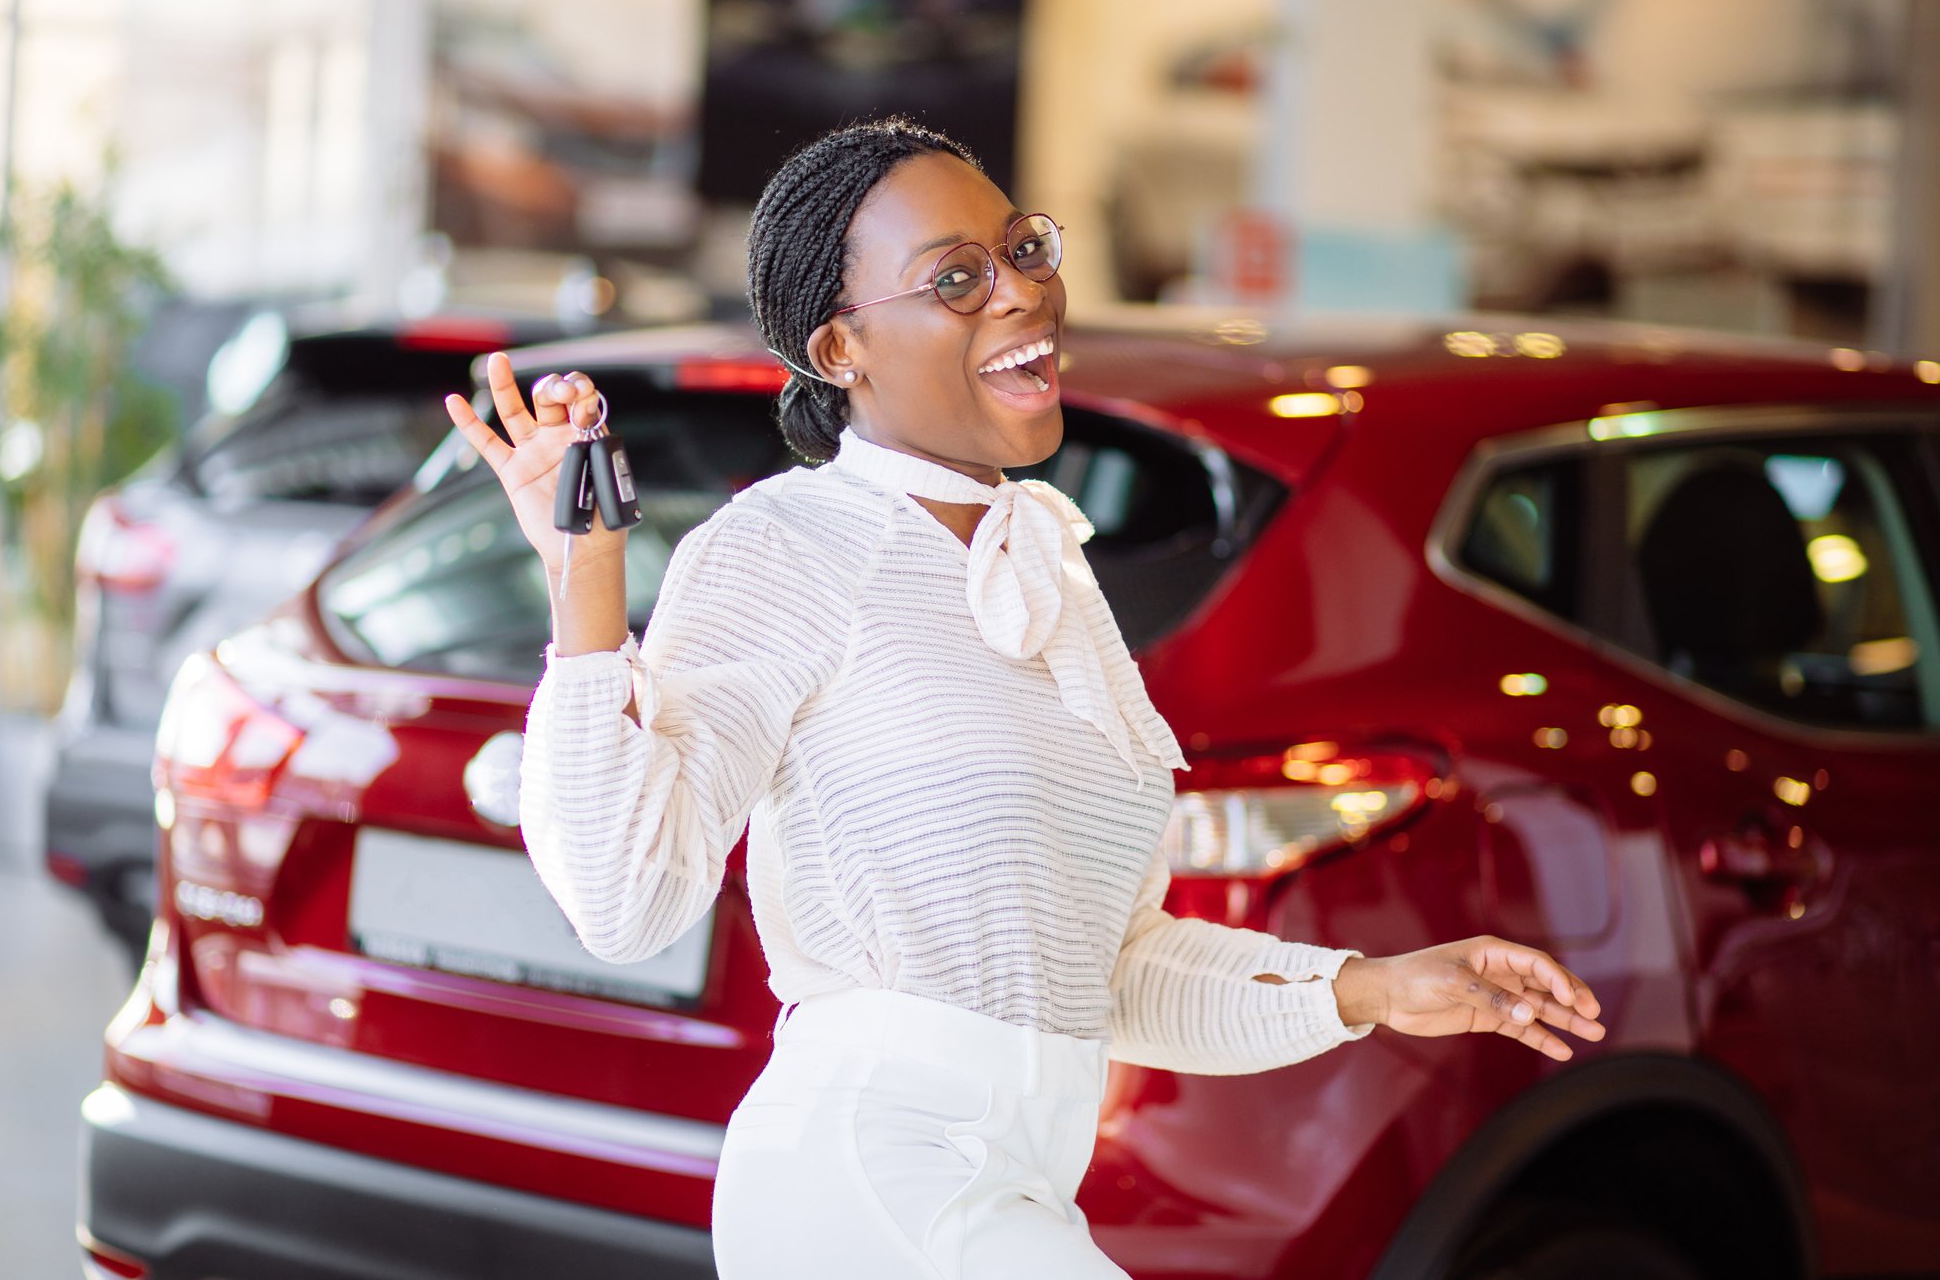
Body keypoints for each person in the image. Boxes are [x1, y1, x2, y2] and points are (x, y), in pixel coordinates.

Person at [442, 116, 1607, 1280]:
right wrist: (582, 580)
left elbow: (1103, 973)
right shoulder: (790, 546)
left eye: (1024, 252)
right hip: (869, 1171)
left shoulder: (1045, 565)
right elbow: (625, 900)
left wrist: (1372, 989)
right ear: (840, 346)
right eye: (956, 278)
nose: (1021, 296)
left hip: (1010, 1176)